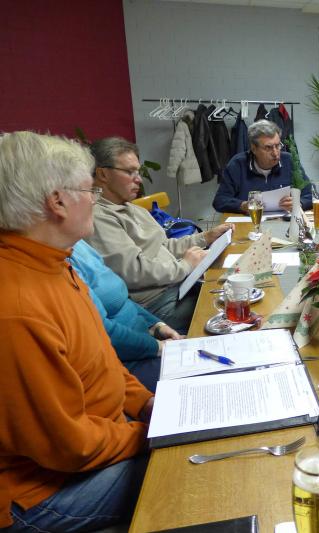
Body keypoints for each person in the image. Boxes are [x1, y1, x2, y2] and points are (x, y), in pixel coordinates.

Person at [0, 131, 154, 531]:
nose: (95, 201)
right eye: (90, 191)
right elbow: (69, 446)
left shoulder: (55, 262)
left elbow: (103, 360)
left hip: (98, 440)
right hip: (41, 493)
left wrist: (147, 404)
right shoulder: (17, 309)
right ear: (57, 202)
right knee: (190, 470)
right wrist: (149, 435)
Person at [85, 137, 233, 334]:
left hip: (178, 285)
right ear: (102, 173)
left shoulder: (132, 208)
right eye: (129, 172)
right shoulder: (98, 217)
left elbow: (163, 246)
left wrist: (205, 237)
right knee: (227, 311)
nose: (139, 179)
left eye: (138, 172)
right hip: (156, 304)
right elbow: (135, 271)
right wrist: (185, 266)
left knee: (234, 290)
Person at [69, 239, 183, 392]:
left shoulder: (78, 244)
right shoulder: (64, 268)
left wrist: (156, 325)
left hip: (146, 341)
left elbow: (121, 299)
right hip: (128, 363)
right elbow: (104, 332)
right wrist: (158, 347)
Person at [213, 119, 312, 214]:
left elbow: (312, 195)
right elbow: (220, 201)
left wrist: (299, 203)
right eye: (268, 147)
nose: (275, 153)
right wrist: (242, 205)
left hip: (284, 221)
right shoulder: (238, 164)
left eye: (277, 145)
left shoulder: (289, 161)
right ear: (254, 148)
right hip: (249, 221)